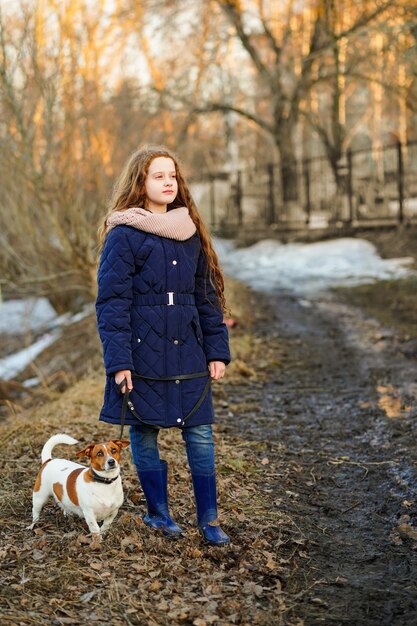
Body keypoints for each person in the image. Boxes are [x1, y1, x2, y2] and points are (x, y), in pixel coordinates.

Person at [95, 145, 231, 546]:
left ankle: (209, 520)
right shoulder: (123, 234)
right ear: (140, 182)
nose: (168, 182)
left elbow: (207, 295)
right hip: (141, 352)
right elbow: (112, 302)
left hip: (188, 349)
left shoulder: (190, 231)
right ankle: (159, 514)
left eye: (172, 175)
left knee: (201, 434)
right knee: (144, 430)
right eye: (158, 175)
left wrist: (216, 350)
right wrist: (119, 360)